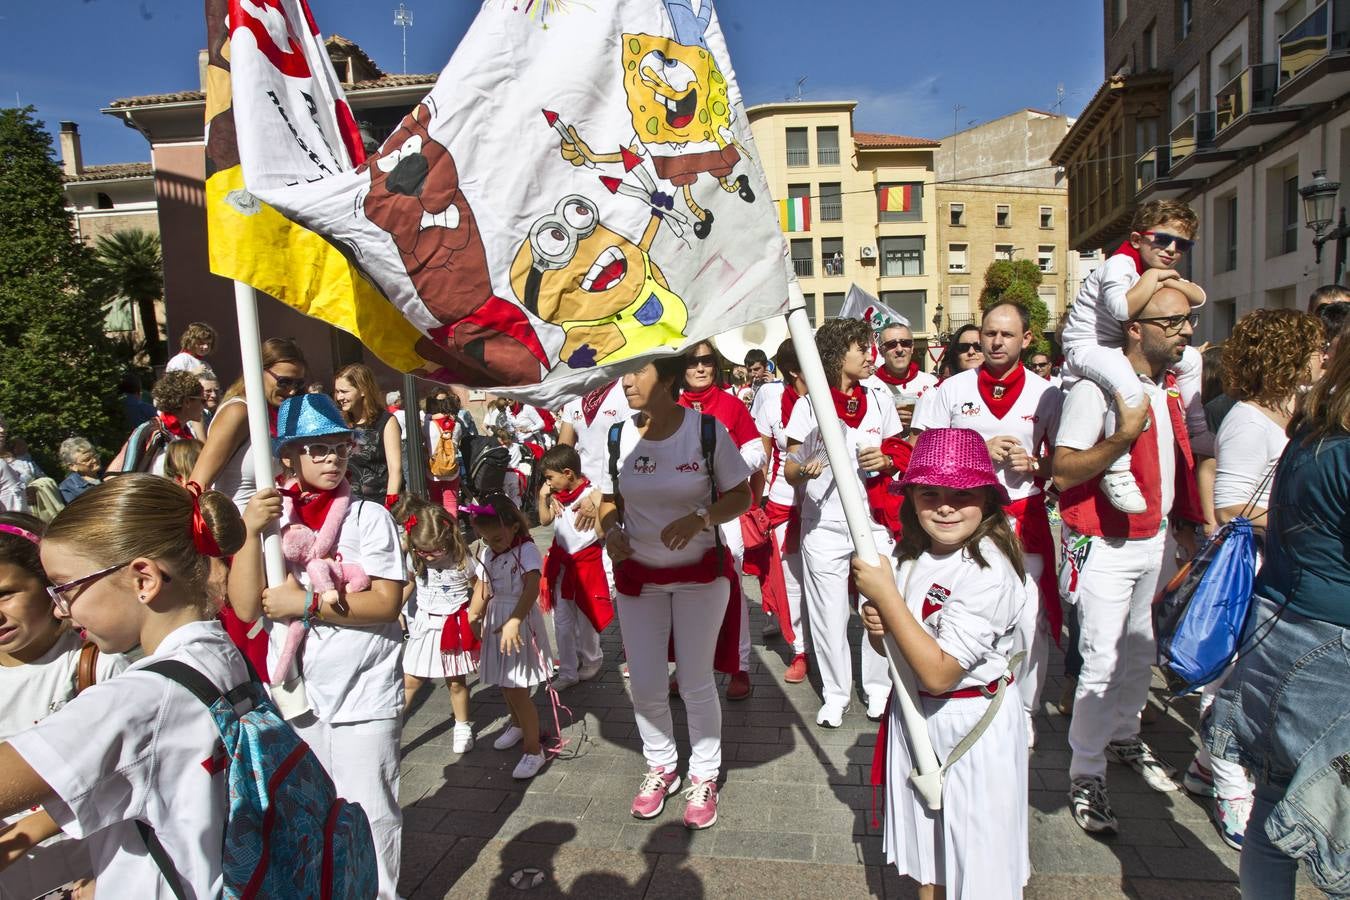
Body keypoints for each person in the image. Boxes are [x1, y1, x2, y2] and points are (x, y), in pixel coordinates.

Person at [0, 476, 249, 896]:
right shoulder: (217, 653)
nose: (62, 609)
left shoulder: (138, 700)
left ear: (143, 580)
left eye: (66, 588)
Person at [229, 392, 406, 898]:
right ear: (288, 457)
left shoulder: (368, 517)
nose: (332, 459)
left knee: (372, 815)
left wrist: (302, 603)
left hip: (363, 692)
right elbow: (246, 608)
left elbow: (387, 603)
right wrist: (249, 532)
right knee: (312, 818)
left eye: (340, 448)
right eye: (318, 450)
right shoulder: (273, 522)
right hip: (297, 697)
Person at [1052, 285, 1207, 835]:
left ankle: (1123, 737)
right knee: (1098, 662)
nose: (1187, 330)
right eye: (1174, 322)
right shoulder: (1096, 391)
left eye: (1189, 320)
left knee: (1141, 651)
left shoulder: (1166, 391)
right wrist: (1123, 436)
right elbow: (1065, 470)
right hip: (1106, 547)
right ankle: (1085, 774)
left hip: (1155, 542)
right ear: (1136, 328)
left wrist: (1186, 523)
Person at [853, 428, 1030, 900]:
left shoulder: (991, 569)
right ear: (909, 496)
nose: (946, 506)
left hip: (972, 724)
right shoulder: (907, 555)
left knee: (978, 863)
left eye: (962, 494)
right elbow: (894, 654)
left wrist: (887, 599)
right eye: (930, 493)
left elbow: (940, 671)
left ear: (988, 499)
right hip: (914, 717)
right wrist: (880, 627)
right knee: (928, 854)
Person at [1205, 337, 1350, 898]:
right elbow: (1229, 502)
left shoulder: (1312, 435)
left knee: (1274, 800)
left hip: (1282, 630)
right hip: (1328, 647)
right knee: (1323, 822)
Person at [1182, 308, 1323, 850]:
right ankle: (1231, 791)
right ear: (1287, 354)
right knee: (1229, 681)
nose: (1323, 354)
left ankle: (1201, 766)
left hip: (1278, 566)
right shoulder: (1246, 419)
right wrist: (1310, 519)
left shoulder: (1291, 414)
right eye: (1313, 345)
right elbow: (1232, 505)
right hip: (1247, 572)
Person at [599, 357, 753, 828]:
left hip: (700, 578)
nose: (625, 381)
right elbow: (609, 502)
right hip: (638, 580)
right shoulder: (617, 436)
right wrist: (610, 532)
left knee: (694, 680)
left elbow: (743, 495)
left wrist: (701, 518)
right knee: (644, 683)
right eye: (622, 373)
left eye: (637, 372)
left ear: (667, 379)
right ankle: (660, 765)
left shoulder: (705, 432)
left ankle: (704, 776)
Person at [911, 303, 1062, 748]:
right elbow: (925, 449)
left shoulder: (1047, 394)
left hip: (1023, 515)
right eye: (988, 334)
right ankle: (961, 692)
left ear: (1026, 340)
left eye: (1006, 335)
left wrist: (1034, 463)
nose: (995, 343)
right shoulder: (952, 388)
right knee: (957, 611)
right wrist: (977, 446)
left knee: (1030, 621)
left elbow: (1065, 459)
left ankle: (1026, 709)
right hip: (964, 521)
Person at [785, 318, 906, 725]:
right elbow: (789, 467)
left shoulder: (881, 397)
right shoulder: (808, 404)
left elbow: (897, 450)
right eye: (862, 348)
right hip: (823, 525)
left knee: (878, 607)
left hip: (874, 524)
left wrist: (887, 460)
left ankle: (879, 688)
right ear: (838, 354)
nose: (872, 355)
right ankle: (835, 694)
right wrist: (805, 470)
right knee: (828, 614)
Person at [0, 512, 126, 900]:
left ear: (49, 587)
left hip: (91, 875)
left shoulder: (96, 665)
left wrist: (31, 832)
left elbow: (120, 775)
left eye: (5, 594)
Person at [1061, 199, 1207, 515]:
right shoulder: (1120, 264)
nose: (1171, 249)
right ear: (1138, 239)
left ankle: (1198, 430)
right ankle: (1117, 470)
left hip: (1114, 344)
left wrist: (1163, 276)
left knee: (1193, 360)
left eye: (1182, 244)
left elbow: (1199, 297)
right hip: (1087, 345)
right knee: (1129, 389)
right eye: (1163, 239)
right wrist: (1155, 278)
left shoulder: (1153, 266)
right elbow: (1122, 309)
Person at [679, 340, 767, 700]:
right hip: (683, 515)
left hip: (725, 511)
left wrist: (724, 471)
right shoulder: (670, 407)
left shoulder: (731, 405)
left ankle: (739, 666)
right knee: (684, 595)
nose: (700, 368)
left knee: (730, 590)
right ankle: (686, 668)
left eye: (706, 361)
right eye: (692, 362)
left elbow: (757, 450)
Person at [467, 493, 553, 781]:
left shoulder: (526, 550)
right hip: (497, 617)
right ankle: (516, 725)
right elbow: (483, 586)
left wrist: (515, 620)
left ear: (514, 526)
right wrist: (473, 614)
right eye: (487, 539)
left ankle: (534, 750)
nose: (492, 544)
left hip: (518, 618)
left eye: (496, 538)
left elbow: (531, 588)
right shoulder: (490, 552)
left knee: (516, 686)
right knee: (505, 684)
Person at [188, 337, 307, 512]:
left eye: (298, 383)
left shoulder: (277, 414)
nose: (292, 391)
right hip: (237, 528)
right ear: (258, 371)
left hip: (275, 529)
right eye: (284, 382)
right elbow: (197, 484)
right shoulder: (239, 411)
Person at [398, 498, 478, 754]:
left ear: (447, 538)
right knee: (411, 679)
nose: (429, 556)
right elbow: (409, 582)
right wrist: (393, 608)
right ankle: (393, 727)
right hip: (425, 623)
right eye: (422, 551)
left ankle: (462, 725)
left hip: (453, 625)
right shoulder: (417, 558)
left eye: (434, 550)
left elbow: (478, 586)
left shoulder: (461, 557)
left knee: (455, 681)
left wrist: (480, 615)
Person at [752, 339, 808, 682]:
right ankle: (801, 650)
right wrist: (752, 503)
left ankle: (833, 652)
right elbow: (763, 456)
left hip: (829, 507)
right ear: (793, 370)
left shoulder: (831, 397)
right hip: (784, 505)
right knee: (792, 585)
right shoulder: (770, 399)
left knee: (828, 587)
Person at [538, 443, 610, 691]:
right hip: (561, 565)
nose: (548, 483)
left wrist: (598, 503)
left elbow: (602, 532)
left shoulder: (591, 494)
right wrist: (543, 497)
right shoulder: (556, 496)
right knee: (562, 620)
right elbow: (544, 520)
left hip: (585, 564)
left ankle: (592, 659)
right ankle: (568, 670)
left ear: (568, 473)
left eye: (550, 478)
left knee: (586, 617)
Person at [107, 371, 205, 476]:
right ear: (187, 402)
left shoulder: (186, 432)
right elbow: (123, 474)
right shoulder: (151, 431)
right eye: (202, 400)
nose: (204, 406)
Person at [334, 364, 402, 507]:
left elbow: (395, 469)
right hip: (346, 505)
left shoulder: (386, 422)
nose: (339, 397)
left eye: (344, 391)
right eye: (337, 391)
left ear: (363, 390)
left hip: (378, 504)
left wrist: (389, 507)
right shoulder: (339, 423)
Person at [863, 322, 939, 433]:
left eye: (905, 343)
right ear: (881, 351)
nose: (899, 349)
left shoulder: (932, 383)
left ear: (912, 348)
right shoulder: (867, 387)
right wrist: (889, 419)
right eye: (891, 345)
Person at [424, 392, 466, 517]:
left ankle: (439, 532)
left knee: (435, 502)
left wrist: (429, 417)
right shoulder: (457, 425)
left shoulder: (427, 425)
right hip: (452, 469)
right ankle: (452, 533)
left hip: (433, 470)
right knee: (451, 503)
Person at [56, 437, 101, 504]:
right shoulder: (68, 488)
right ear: (73, 466)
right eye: (87, 459)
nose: (94, 460)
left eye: (94, 455)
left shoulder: (109, 473)